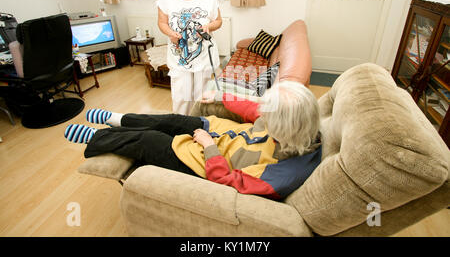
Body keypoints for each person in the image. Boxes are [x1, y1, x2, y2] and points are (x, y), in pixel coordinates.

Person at [64, 81, 322, 200]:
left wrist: (209, 147)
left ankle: (95, 137)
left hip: (204, 162)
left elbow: (226, 183)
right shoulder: (299, 126)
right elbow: (252, 110)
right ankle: (116, 119)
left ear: (283, 128)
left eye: (269, 116)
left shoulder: (283, 174)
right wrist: (221, 97)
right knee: (168, 121)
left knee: (150, 140)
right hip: (219, 132)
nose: (262, 115)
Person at [157, 0, 222, 115]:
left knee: (201, 97)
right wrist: (171, 33)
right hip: (179, 57)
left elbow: (218, 21)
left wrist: (208, 27)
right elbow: (162, 22)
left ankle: (200, 128)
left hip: (204, 57)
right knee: (181, 98)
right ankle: (180, 129)